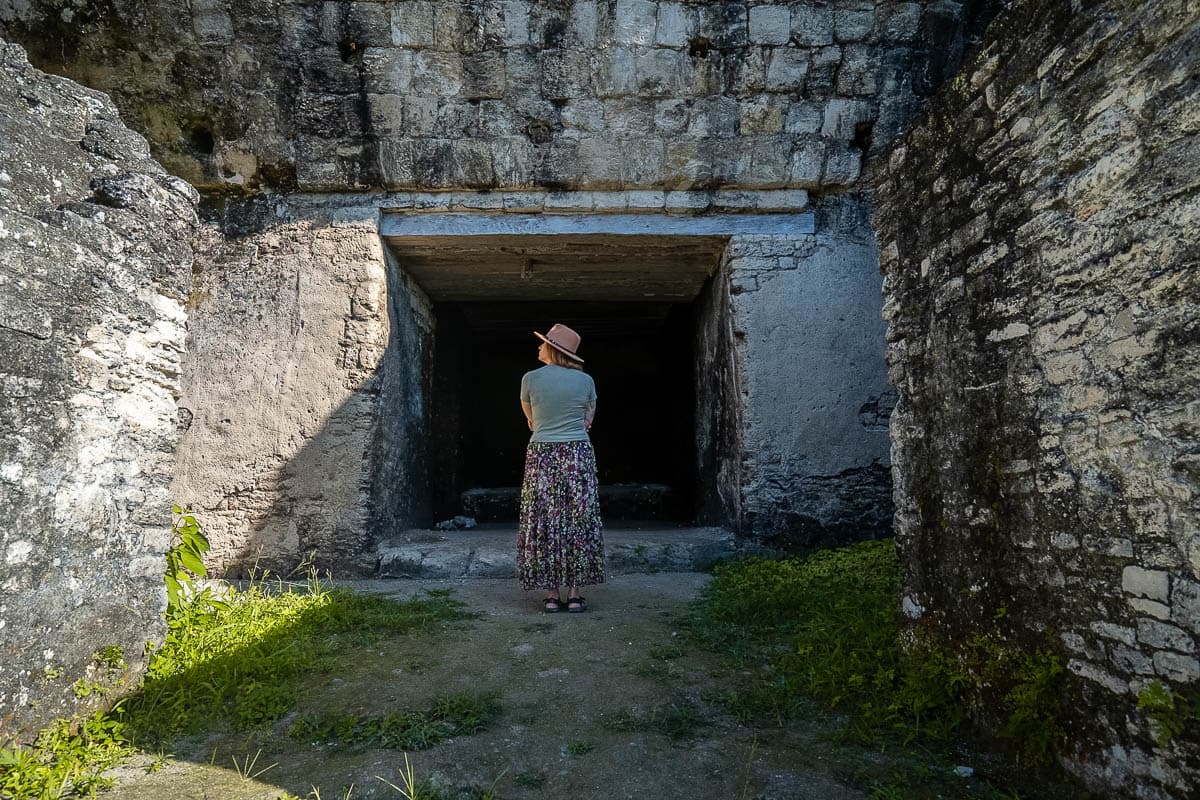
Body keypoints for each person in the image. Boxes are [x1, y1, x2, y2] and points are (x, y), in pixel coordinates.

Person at [517, 323, 605, 613]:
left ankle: (552, 596)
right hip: (577, 453)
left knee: (546, 520)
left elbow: (530, 420)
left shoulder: (530, 378)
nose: (538, 347)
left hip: (542, 453)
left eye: (542, 344)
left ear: (553, 349)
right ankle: (576, 594)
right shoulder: (586, 381)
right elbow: (588, 420)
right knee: (578, 519)